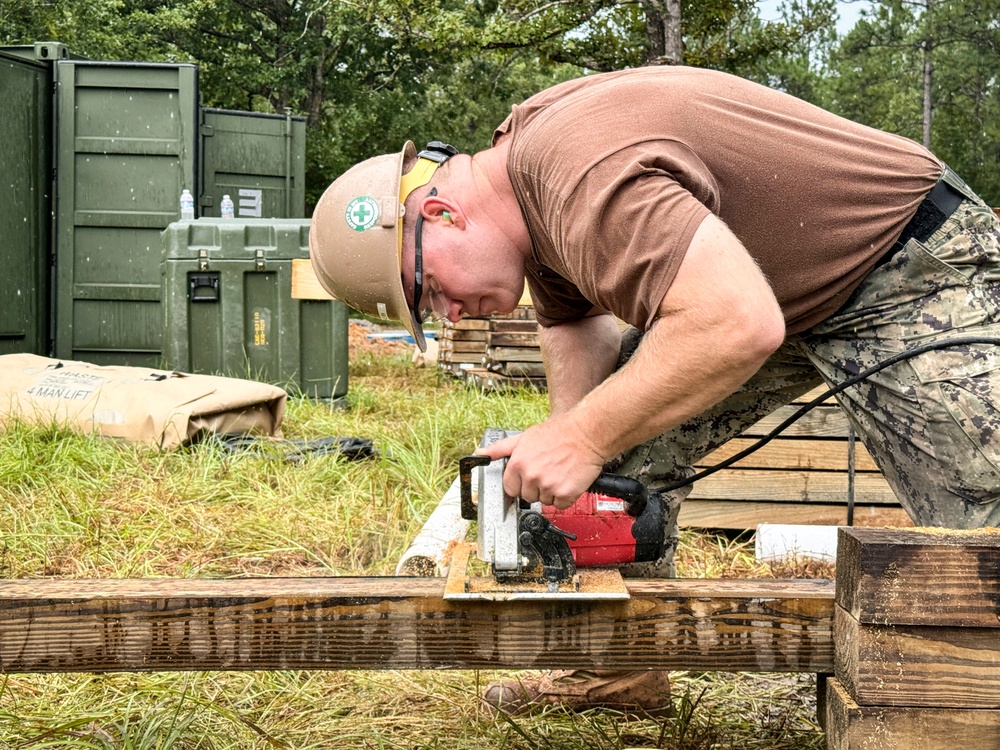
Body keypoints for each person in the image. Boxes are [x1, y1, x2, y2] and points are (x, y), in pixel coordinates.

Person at [309, 65, 1000, 715]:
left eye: (428, 291)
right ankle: (619, 669)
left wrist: (581, 437)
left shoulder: (574, 171)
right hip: (778, 295)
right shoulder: (525, 190)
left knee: (986, 511)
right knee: (619, 468)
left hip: (910, 267)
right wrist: (572, 460)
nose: (449, 316)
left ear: (443, 213)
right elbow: (575, 321)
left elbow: (734, 322)